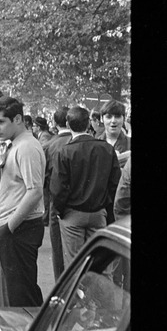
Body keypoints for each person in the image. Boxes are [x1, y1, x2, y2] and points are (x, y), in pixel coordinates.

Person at [0, 96, 46, 307]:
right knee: (13, 291)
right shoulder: (13, 145)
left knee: (22, 294)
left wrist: (9, 227)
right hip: (11, 225)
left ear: (18, 119)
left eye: (1, 122)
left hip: (20, 227)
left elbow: (35, 191)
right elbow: (3, 185)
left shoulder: (27, 147)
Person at [50, 106, 121, 266]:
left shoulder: (64, 152)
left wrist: (60, 211)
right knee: (100, 266)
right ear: (88, 123)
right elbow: (114, 184)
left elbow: (58, 188)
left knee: (75, 266)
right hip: (98, 213)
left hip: (72, 214)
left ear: (68, 125)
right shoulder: (107, 149)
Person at [43, 106, 73, 280]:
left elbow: (45, 178)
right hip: (79, 203)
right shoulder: (81, 142)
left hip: (56, 204)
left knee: (58, 251)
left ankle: (60, 287)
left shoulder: (49, 145)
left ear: (54, 123)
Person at [99, 99, 131, 165]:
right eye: (109, 117)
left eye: (117, 116)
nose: (113, 121)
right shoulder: (94, 145)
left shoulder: (130, 143)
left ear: (124, 119)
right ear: (101, 119)